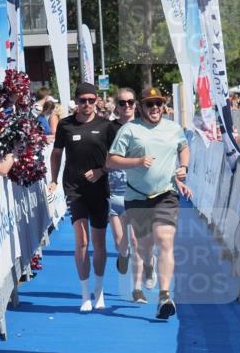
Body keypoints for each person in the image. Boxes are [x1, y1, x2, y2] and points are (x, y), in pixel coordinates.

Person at [107, 86, 191, 319]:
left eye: (158, 104)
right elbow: (112, 160)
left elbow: (184, 148)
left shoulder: (173, 128)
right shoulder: (129, 130)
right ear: (141, 107)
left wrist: (183, 167)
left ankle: (164, 296)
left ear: (163, 106)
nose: (154, 108)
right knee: (143, 246)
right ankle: (147, 263)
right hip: (136, 196)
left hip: (166, 193)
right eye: (149, 104)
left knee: (165, 240)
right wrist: (137, 162)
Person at [49, 81, 121, 312]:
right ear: (76, 102)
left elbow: (116, 157)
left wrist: (102, 170)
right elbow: (56, 153)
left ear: (97, 100)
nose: (87, 104)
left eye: (91, 100)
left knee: (99, 243)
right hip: (74, 189)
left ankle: (98, 292)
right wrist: (53, 180)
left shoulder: (107, 126)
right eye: (83, 101)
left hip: (99, 189)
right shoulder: (65, 125)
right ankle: (84, 295)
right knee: (82, 241)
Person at [107, 88, 139, 277]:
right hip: (114, 188)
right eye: (122, 103)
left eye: (130, 102)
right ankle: (123, 255)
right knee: (121, 241)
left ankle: (139, 284)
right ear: (116, 107)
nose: (127, 106)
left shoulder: (145, 127)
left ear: (135, 104)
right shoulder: (108, 128)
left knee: (136, 240)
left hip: (139, 189)